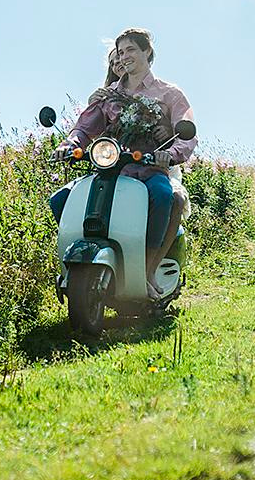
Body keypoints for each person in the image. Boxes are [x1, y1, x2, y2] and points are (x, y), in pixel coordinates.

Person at [51, 28, 197, 299]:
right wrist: (69, 146)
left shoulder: (169, 93)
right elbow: (83, 128)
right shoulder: (107, 96)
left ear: (147, 52)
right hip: (110, 168)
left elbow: (186, 133)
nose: (124, 56)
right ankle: (79, 264)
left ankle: (147, 271)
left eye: (131, 49)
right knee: (60, 199)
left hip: (150, 167)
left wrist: (171, 153)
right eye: (120, 52)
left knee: (164, 196)